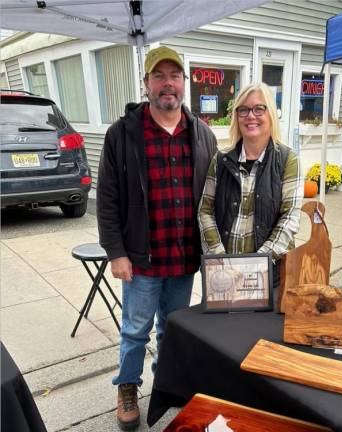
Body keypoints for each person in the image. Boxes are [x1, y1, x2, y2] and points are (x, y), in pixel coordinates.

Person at [96, 46, 217, 431]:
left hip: (183, 259)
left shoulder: (202, 134)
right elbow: (108, 198)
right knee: (135, 329)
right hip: (142, 258)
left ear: (184, 83)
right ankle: (128, 386)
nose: (168, 83)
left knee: (173, 329)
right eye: (159, 75)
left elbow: (214, 196)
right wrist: (116, 252)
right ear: (146, 83)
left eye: (175, 76)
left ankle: (168, 383)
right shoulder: (123, 134)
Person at [198, 82, 303, 294]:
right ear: (236, 117)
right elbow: (205, 210)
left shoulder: (288, 160)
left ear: (270, 113)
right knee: (222, 327)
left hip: (267, 275)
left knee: (261, 327)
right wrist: (219, 258)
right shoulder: (221, 159)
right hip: (221, 275)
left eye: (258, 109)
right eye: (243, 110)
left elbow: (290, 216)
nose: (250, 116)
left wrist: (259, 262)